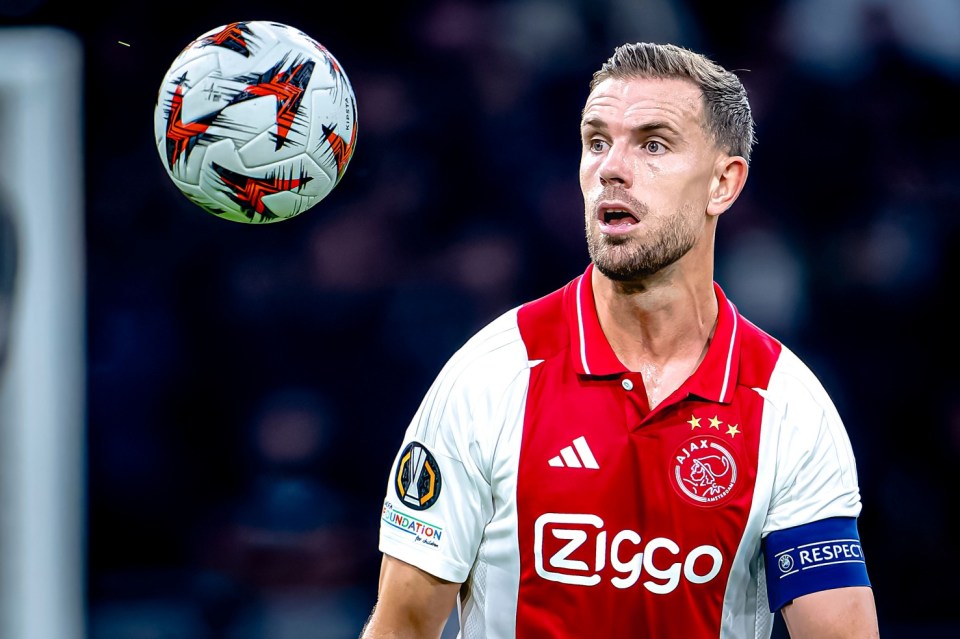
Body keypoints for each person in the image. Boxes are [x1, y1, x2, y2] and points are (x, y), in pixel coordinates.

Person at [360, 42, 880, 638]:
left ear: (724, 183)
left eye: (653, 144)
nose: (611, 167)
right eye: (597, 141)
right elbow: (402, 625)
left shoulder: (787, 407)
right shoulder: (491, 375)